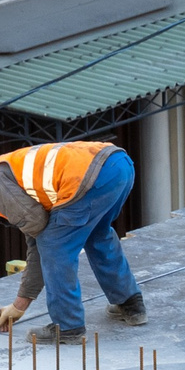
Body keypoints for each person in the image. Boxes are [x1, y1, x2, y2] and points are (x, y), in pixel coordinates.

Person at [0, 141, 146, 345]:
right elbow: (37, 232)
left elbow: (41, 236)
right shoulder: (10, 166)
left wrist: (19, 305)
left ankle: (68, 327)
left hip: (88, 178)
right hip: (118, 164)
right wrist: (20, 304)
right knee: (97, 235)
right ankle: (131, 305)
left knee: (54, 246)